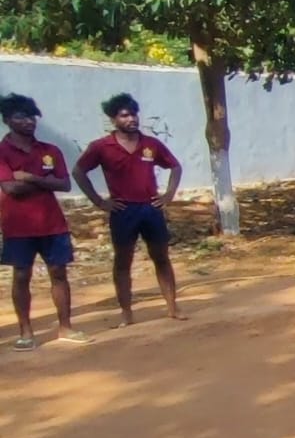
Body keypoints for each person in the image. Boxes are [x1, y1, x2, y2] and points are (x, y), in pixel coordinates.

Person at [72, 93, 186, 325]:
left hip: (151, 208)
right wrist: (99, 201)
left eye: (133, 114)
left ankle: (172, 307)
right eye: (124, 115)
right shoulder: (102, 147)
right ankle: (126, 313)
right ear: (113, 119)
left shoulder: (151, 144)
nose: (131, 119)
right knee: (123, 262)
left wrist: (168, 195)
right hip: (123, 211)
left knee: (161, 257)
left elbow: (175, 166)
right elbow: (78, 171)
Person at [0, 94, 88, 351]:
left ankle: (66, 327)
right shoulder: (2, 152)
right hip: (18, 226)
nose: (29, 121)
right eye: (21, 117)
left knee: (59, 273)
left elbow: (65, 184)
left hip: (52, 223)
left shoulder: (50, 151)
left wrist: (29, 177)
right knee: (21, 276)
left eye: (32, 116)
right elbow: (11, 188)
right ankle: (26, 333)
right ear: (7, 120)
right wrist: (45, 182)